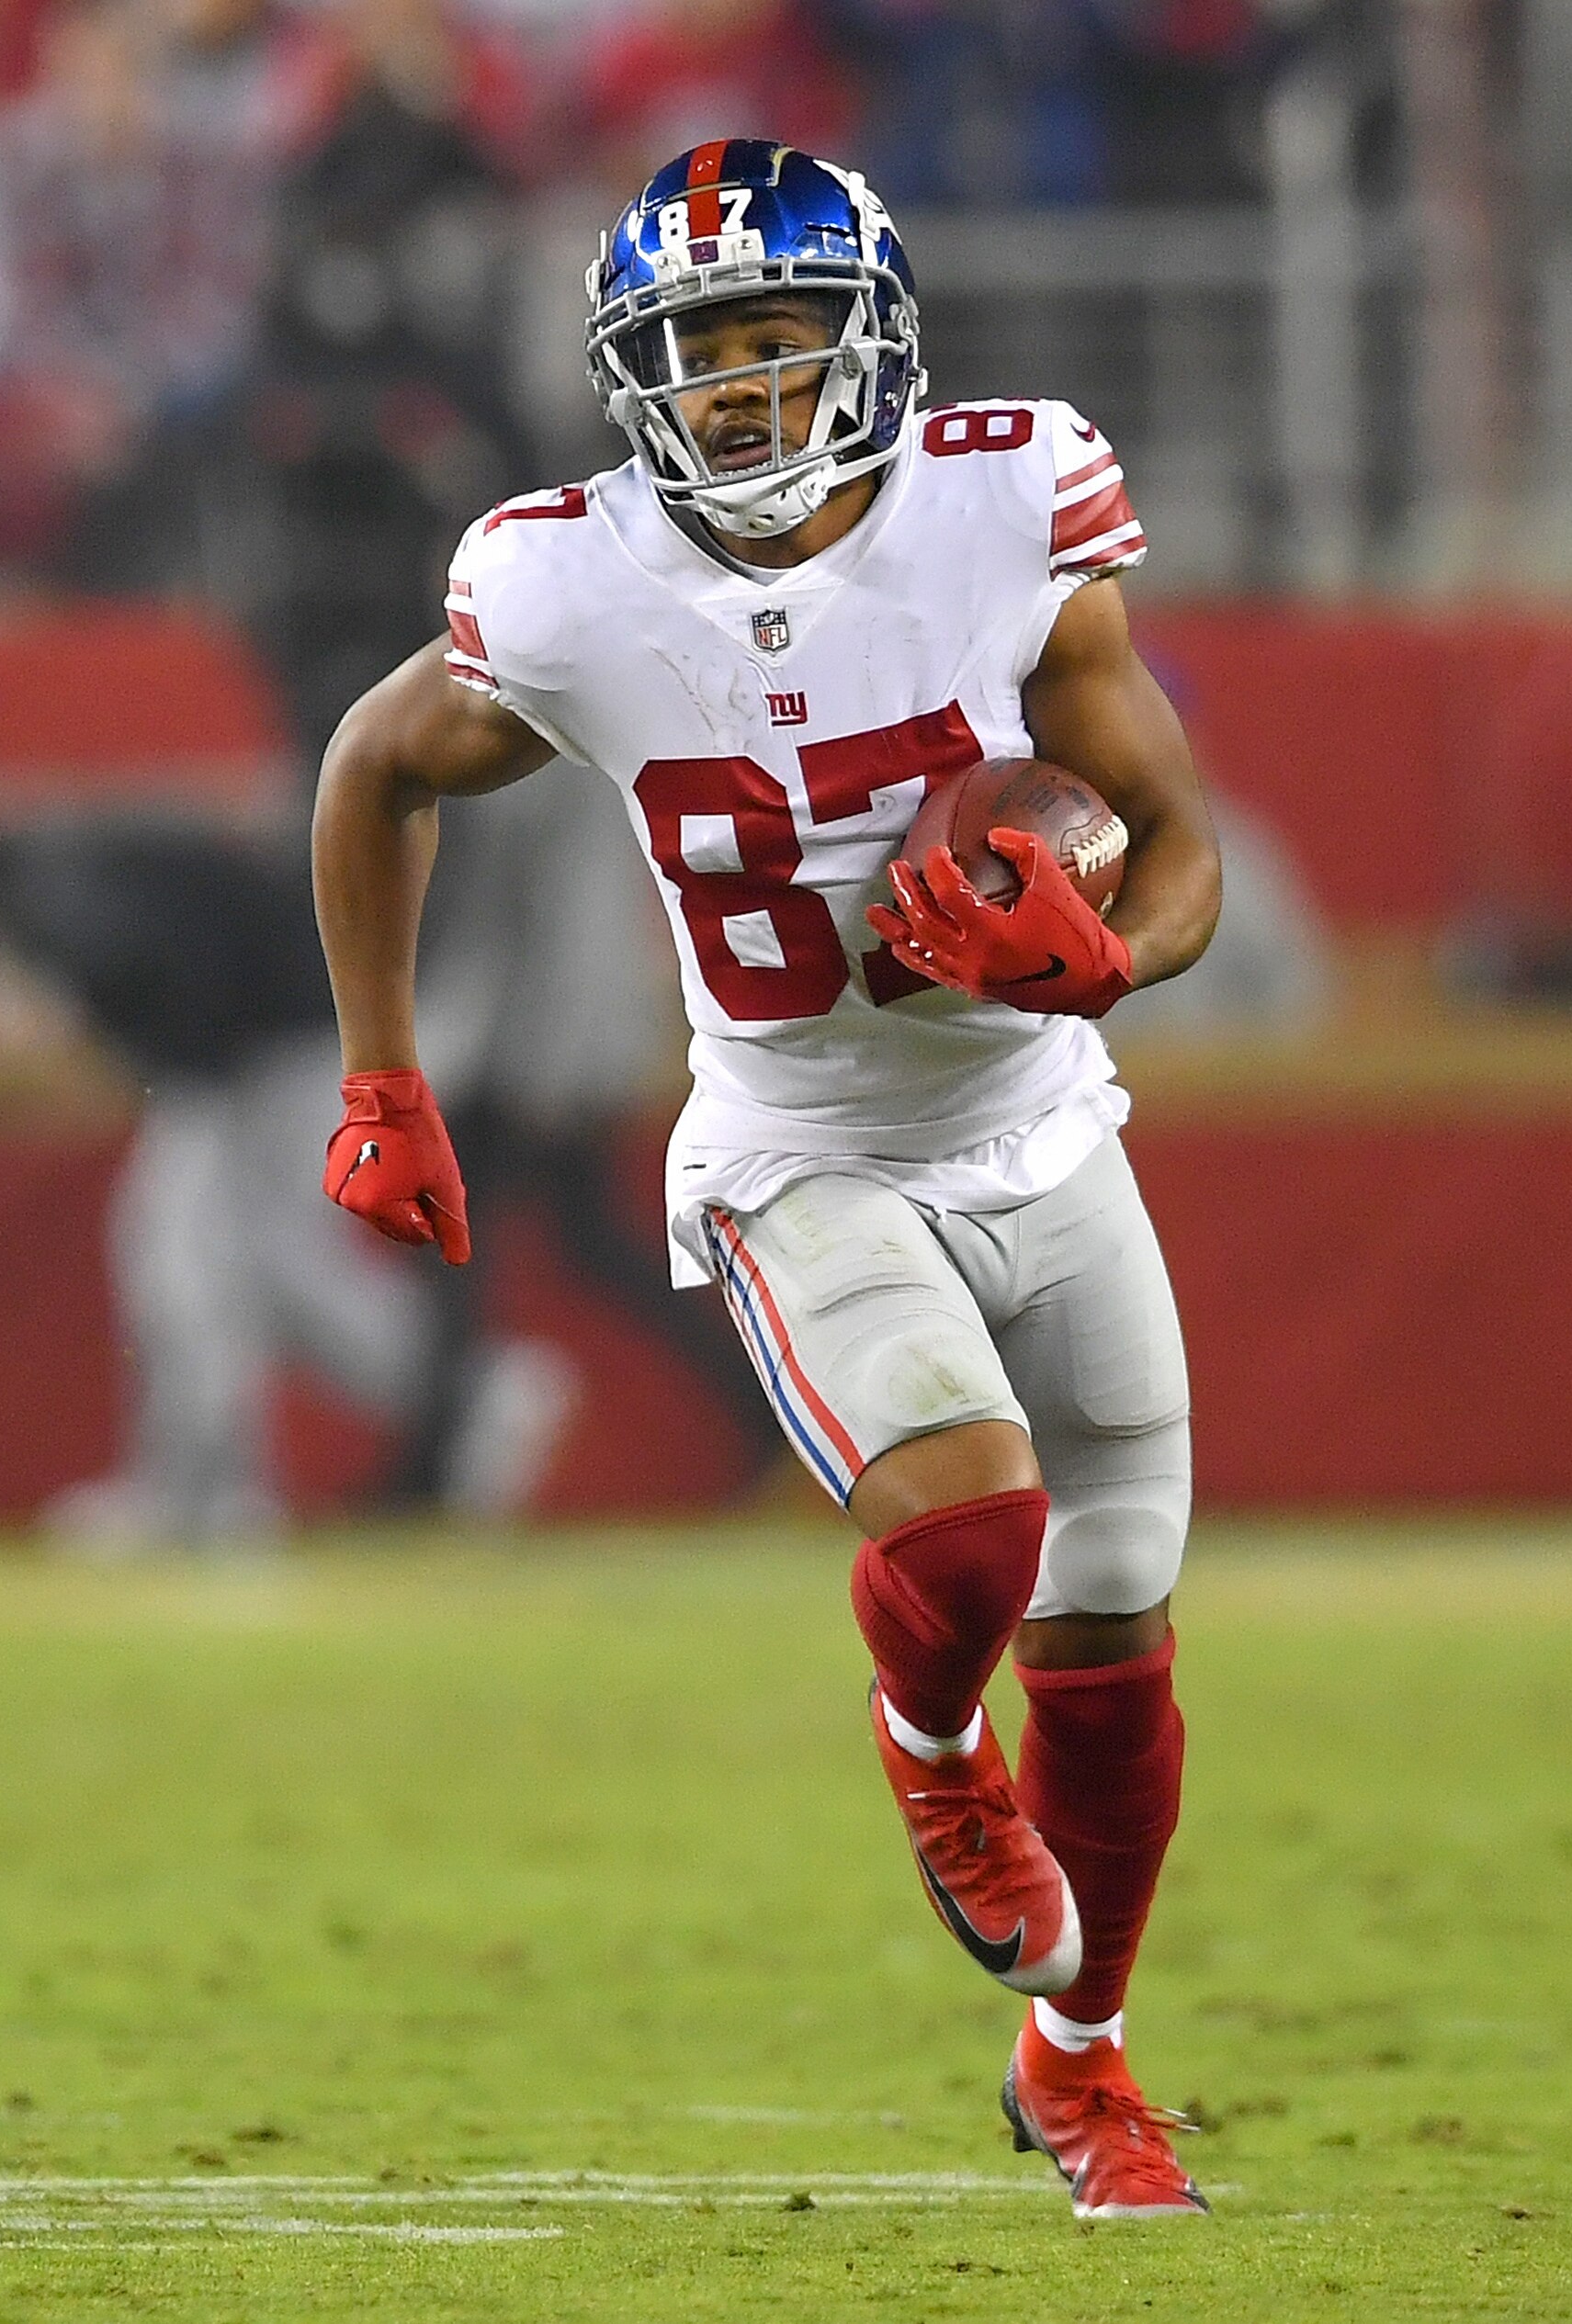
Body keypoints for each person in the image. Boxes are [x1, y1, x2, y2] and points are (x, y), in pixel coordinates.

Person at [311, 141, 1223, 2217]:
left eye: (766, 336)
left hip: (1040, 1122)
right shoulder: (567, 580)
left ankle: (1076, 2066)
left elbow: (1173, 844)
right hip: (797, 1142)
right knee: (970, 1510)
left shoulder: (1002, 511)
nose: (727, 386)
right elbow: (372, 767)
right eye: (689, 351)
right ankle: (922, 1752)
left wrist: (1106, 954)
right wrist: (384, 1074)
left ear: (866, 336)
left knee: (1108, 1629)